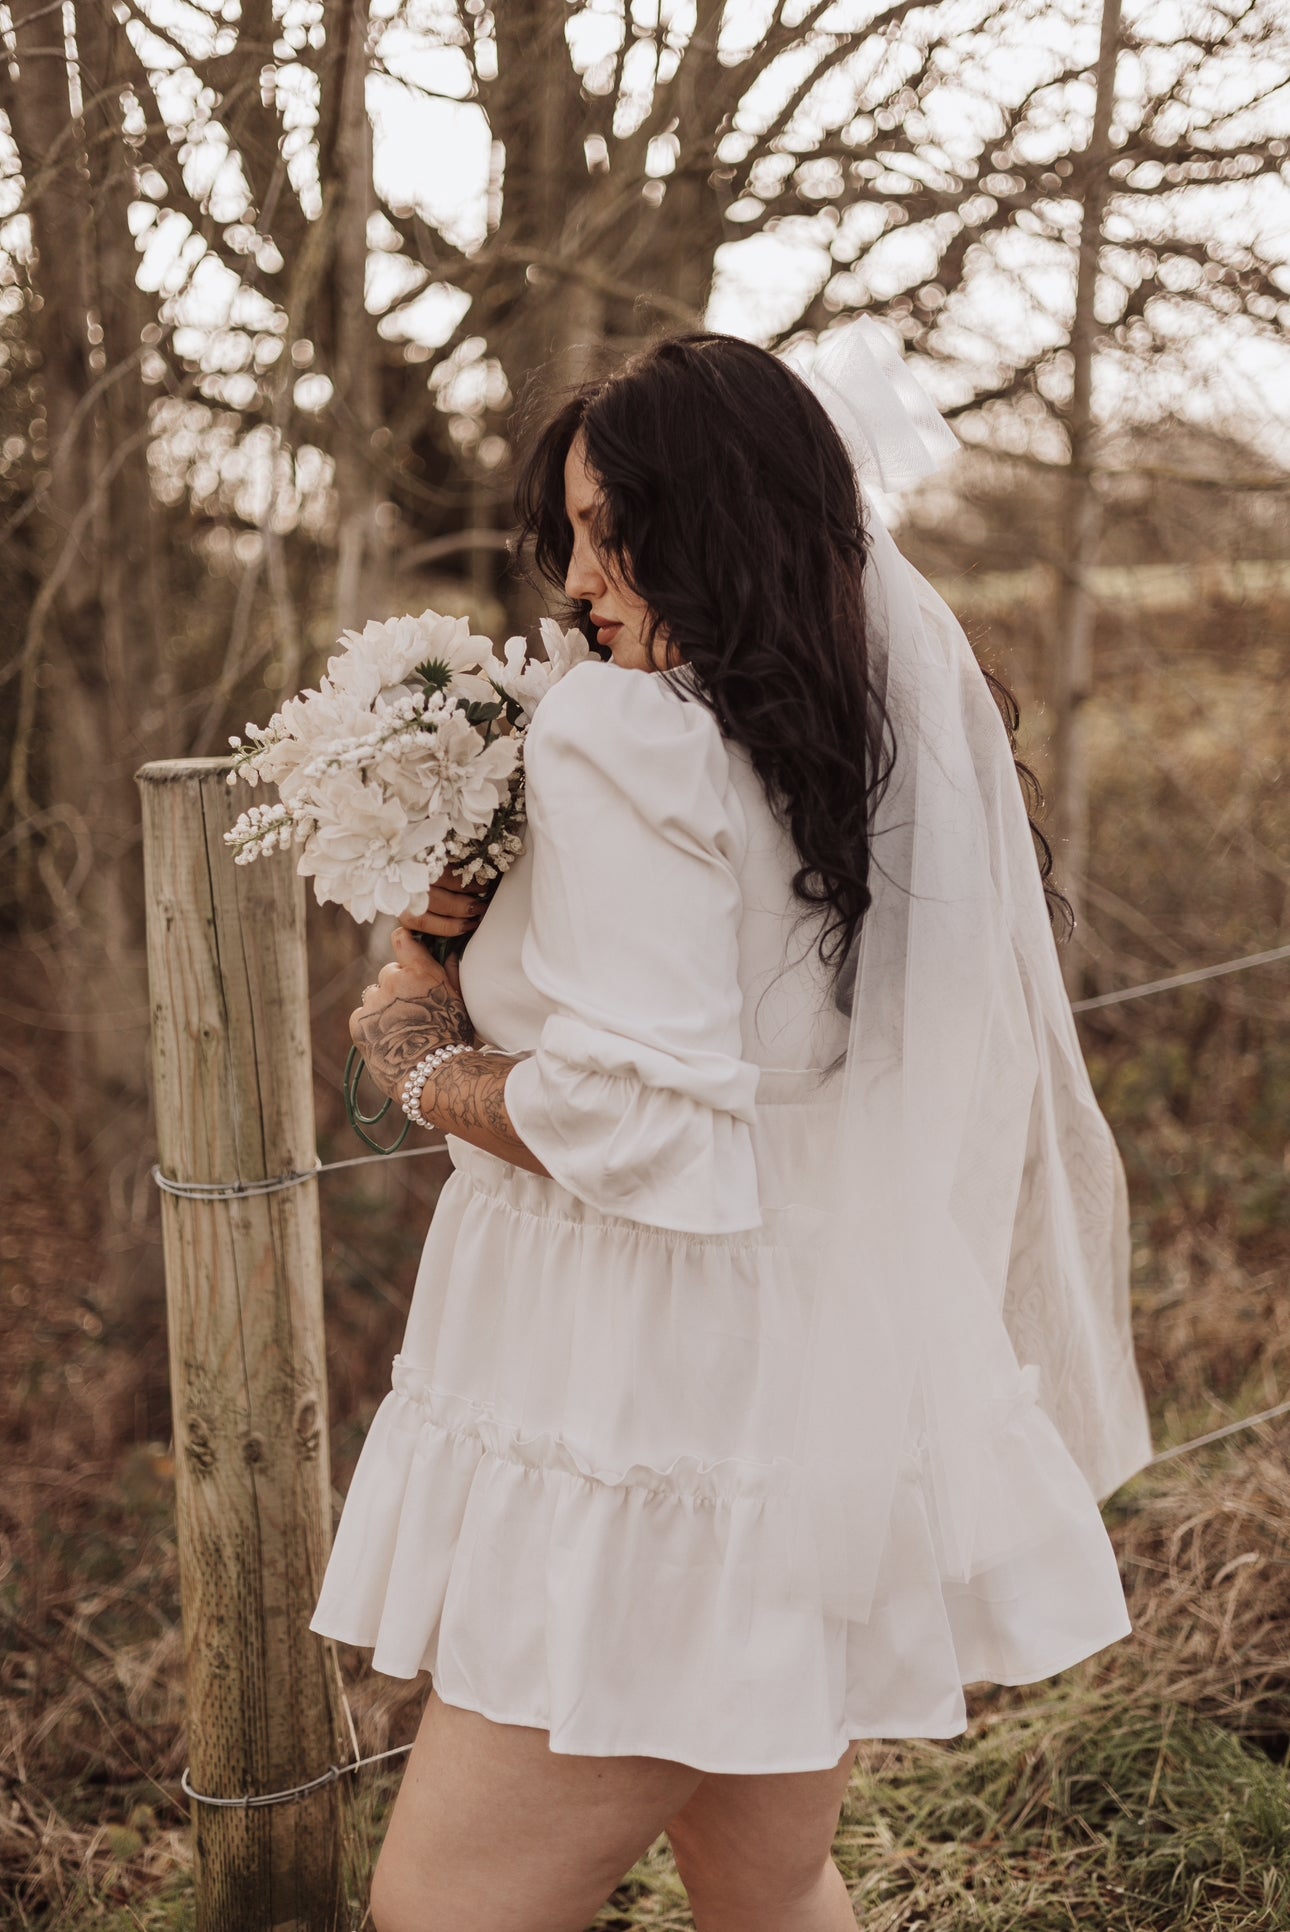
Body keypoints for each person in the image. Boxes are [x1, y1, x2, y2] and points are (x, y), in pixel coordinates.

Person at [310, 326, 1152, 1932]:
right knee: (763, 1889)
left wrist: (416, 1054)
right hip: (818, 1395)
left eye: (614, 532)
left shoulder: (621, 735)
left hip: (645, 1411)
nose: (577, 576)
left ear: (724, 531)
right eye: (566, 531)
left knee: (445, 1908)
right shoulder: (875, 736)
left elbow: (636, 1122)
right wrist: (470, 913)